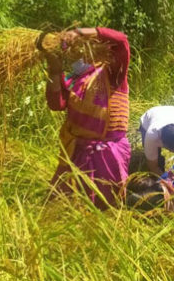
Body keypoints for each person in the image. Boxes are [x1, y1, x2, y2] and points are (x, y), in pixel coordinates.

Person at [41, 27, 131, 210]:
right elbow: (56, 104)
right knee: (63, 209)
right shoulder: (75, 78)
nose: (76, 53)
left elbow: (121, 41)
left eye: (79, 46)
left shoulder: (112, 72)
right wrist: (54, 71)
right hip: (77, 153)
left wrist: (80, 32)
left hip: (106, 157)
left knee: (106, 209)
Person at [138, 106, 174, 176]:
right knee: (157, 162)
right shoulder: (151, 136)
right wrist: (164, 180)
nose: (171, 151)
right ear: (161, 140)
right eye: (169, 149)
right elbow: (153, 165)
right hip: (150, 116)